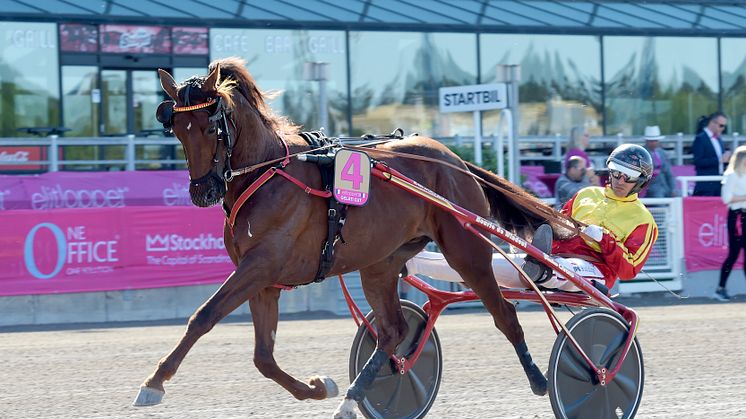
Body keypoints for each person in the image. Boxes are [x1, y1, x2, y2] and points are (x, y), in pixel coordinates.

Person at [406, 144, 659, 293]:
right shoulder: (586, 194)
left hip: (594, 274)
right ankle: (412, 262)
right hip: (553, 259)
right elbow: (559, 226)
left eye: (628, 175)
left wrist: (605, 240)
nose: (619, 179)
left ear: (642, 181)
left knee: (559, 268)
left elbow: (628, 270)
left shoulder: (643, 221)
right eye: (616, 170)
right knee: (477, 264)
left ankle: (542, 270)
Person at [713, 145, 746, 302]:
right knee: (733, 254)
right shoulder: (732, 175)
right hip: (737, 217)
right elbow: (726, 199)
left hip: (743, 215)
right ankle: (720, 288)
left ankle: (721, 288)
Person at [692, 112, 732, 196]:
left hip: (719, 182)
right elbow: (698, 161)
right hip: (706, 184)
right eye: (721, 125)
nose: (723, 128)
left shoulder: (718, 138)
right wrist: (719, 160)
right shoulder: (700, 139)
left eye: (724, 126)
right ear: (712, 123)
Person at [642, 125, 677, 198]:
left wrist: (673, 189)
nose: (654, 143)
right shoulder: (642, 153)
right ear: (646, 141)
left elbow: (669, 174)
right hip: (651, 188)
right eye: (651, 141)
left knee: (680, 197)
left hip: (665, 186)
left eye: (655, 140)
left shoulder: (662, 153)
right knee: (659, 198)